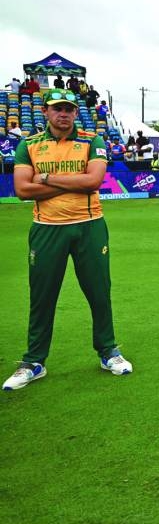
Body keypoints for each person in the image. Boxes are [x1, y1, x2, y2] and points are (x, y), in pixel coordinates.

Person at [3, 92, 132, 391]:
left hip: (89, 227)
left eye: (69, 109)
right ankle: (34, 362)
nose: (63, 114)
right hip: (47, 228)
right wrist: (70, 184)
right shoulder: (29, 145)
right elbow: (22, 189)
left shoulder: (92, 141)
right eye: (57, 109)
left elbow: (92, 182)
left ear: (75, 113)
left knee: (99, 292)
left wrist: (45, 179)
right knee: (42, 297)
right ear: (46, 112)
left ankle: (108, 351)